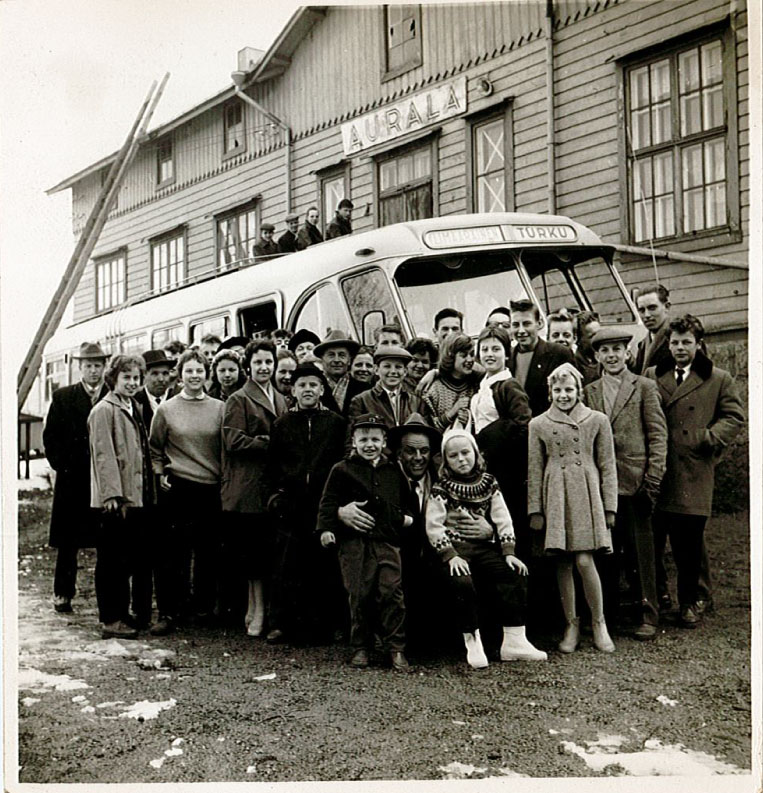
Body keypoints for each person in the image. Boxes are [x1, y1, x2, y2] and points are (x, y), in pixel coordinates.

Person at [646, 315, 745, 628]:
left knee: (688, 542)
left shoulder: (718, 378)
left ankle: (693, 601)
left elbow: (734, 417)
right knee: (653, 538)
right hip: (658, 470)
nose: (679, 348)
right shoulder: (651, 376)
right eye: (674, 342)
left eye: (686, 342)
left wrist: (708, 437)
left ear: (698, 344)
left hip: (693, 469)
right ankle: (658, 597)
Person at [426, 428, 547, 668]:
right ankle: (472, 640)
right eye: (453, 456)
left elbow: (503, 518)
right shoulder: (442, 488)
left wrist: (509, 552)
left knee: (513, 572)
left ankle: (514, 640)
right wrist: (450, 555)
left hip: (483, 547)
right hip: (456, 548)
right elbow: (434, 525)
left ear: (475, 453)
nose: (461, 459)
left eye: (465, 452)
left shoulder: (489, 483)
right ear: (445, 460)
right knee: (462, 581)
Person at [527, 363, 618, 653]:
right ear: (549, 392)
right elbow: (535, 468)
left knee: (583, 560)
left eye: (569, 390)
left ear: (579, 391)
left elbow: (607, 465)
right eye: (557, 390)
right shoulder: (538, 424)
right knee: (563, 562)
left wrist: (609, 507)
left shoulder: (597, 420)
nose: (563, 395)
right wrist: (536, 510)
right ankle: (571, 623)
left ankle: (599, 622)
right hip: (555, 494)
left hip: (587, 494)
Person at [584, 327, 667, 641]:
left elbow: (658, 435)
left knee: (641, 552)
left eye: (617, 349)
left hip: (635, 482)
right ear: (597, 356)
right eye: (605, 351)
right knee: (607, 552)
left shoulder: (644, 386)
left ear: (627, 352)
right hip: (602, 485)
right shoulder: (590, 391)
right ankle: (609, 615)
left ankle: (648, 614)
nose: (612, 356)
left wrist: (653, 479)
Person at [317, 414, 413, 671]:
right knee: (358, 593)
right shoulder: (342, 470)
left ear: (383, 442)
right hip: (353, 543)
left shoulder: (394, 470)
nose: (369, 444)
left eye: (374, 439)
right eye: (363, 439)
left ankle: (396, 648)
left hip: (386, 542)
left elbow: (407, 502)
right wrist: (327, 528)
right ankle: (361, 646)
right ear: (354, 441)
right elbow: (328, 502)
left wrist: (405, 519)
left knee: (392, 592)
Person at [264, 363, 347, 645]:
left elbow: (341, 463)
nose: (308, 390)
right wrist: (276, 498)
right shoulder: (282, 424)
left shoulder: (335, 422)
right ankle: (281, 623)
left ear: (322, 389)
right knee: (288, 564)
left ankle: (331, 624)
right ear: (293, 390)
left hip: (324, 502)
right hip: (292, 503)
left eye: (313, 384)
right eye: (302, 385)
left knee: (326, 565)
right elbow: (272, 467)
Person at [149, 350, 224, 632]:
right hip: (178, 488)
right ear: (179, 376)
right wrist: (160, 473)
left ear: (207, 374)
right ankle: (169, 612)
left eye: (200, 371)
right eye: (189, 371)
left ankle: (202, 610)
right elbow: (154, 448)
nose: (195, 376)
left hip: (211, 488)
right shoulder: (166, 409)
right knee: (173, 553)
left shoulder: (219, 408)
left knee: (207, 554)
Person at [221, 339, 288, 636]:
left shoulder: (281, 398)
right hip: (248, 485)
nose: (264, 367)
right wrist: (266, 443)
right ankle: (258, 613)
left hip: (271, 485)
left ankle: (255, 610)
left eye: (269, 362)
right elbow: (232, 441)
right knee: (255, 555)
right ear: (248, 366)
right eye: (259, 362)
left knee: (264, 552)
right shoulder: (239, 399)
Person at [88, 354, 154, 639]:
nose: (132, 382)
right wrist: (112, 494)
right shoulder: (105, 409)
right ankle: (110, 619)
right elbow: (104, 455)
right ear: (113, 379)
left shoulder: (133, 406)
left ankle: (122, 613)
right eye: (126, 377)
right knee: (112, 561)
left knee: (127, 559)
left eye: (136, 378)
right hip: (116, 501)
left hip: (135, 496)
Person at [43, 341, 109, 614]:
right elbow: (51, 438)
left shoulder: (111, 395)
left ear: (105, 368)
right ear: (80, 368)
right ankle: (63, 593)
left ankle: (106, 596)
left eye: (98, 365)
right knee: (68, 542)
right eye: (88, 366)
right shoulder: (64, 397)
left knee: (107, 539)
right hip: (73, 479)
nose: (93, 371)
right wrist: (64, 466)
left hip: (104, 479)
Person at [470, 326, 532, 551]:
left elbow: (523, 424)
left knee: (509, 521)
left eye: (496, 349)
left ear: (506, 353)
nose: (489, 354)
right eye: (484, 349)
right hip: (488, 465)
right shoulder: (484, 384)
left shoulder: (508, 385)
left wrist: (486, 442)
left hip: (507, 467)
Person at [347, 346, 430, 447]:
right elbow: (352, 440)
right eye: (387, 366)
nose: (393, 371)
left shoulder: (417, 402)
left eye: (398, 367)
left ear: (405, 372)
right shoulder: (361, 400)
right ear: (376, 370)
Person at [508, 299, 575, 416]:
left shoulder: (559, 353)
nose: (521, 330)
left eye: (527, 324)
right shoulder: (507, 357)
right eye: (515, 325)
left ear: (538, 324)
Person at [421, 333, 480, 432]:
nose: (469, 359)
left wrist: (469, 420)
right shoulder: (433, 390)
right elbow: (430, 429)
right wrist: (452, 412)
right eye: (464, 355)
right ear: (451, 356)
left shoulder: (477, 384)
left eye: (472, 354)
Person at [313, 330, 366, 415]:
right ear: (322, 359)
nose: (337, 360)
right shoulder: (313, 388)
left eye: (342, 355)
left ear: (349, 360)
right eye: (331, 355)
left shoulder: (363, 390)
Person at [633, 283, 672, 375]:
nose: (647, 315)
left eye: (652, 308)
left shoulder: (681, 338)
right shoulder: (643, 344)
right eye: (642, 310)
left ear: (667, 307)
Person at [573, 311, 602, 385]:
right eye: (592, 336)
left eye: (599, 333)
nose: (598, 338)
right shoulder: (576, 364)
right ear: (579, 340)